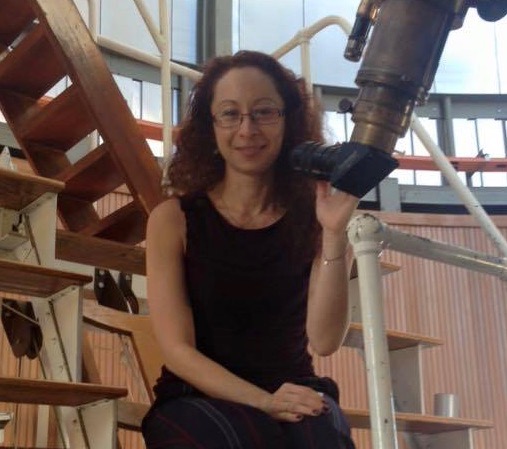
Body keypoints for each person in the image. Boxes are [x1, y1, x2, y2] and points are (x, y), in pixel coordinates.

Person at [142, 49, 359, 449]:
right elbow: (176, 350)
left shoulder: (318, 216)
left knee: (322, 437)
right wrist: (264, 402)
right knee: (243, 439)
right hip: (197, 395)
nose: (247, 129)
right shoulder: (172, 220)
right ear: (210, 126)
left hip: (294, 387)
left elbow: (325, 340)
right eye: (230, 114)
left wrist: (334, 234)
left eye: (264, 112)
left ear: (287, 120)